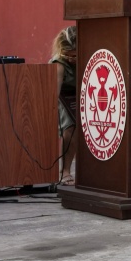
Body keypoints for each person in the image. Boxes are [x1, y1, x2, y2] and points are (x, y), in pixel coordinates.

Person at [51, 25, 78, 186]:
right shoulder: (59, 64)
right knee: (70, 126)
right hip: (61, 94)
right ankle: (65, 171)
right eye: (68, 55)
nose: (71, 59)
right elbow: (54, 94)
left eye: (74, 55)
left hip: (79, 93)